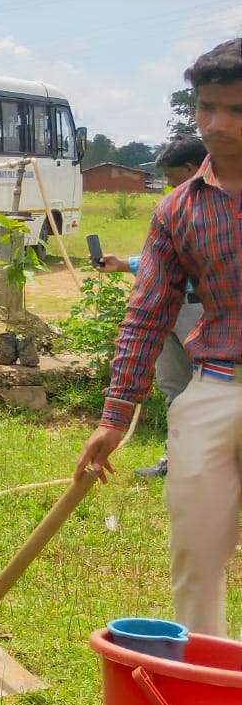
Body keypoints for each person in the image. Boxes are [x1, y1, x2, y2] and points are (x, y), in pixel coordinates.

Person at [77, 39, 242, 637]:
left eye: (235, 109)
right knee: (196, 552)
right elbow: (147, 314)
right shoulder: (177, 210)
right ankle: (204, 674)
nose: (216, 124)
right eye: (206, 107)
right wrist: (115, 416)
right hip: (216, 385)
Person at [94, 135, 208, 478]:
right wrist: (124, 263)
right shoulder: (173, 210)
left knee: (214, 389)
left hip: (201, 312)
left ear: (192, 169)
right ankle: (177, 461)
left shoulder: (221, 210)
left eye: (172, 177)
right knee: (176, 389)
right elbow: (163, 261)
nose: (168, 186)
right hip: (170, 310)